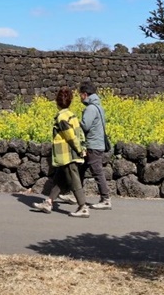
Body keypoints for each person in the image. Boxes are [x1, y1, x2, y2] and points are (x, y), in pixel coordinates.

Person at [33, 87, 90, 218]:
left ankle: (83, 207)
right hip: (70, 154)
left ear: (57, 102)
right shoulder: (72, 115)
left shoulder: (62, 117)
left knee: (74, 180)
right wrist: (83, 147)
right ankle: (48, 202)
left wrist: (80, 150)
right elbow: (80, 133)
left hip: (67, 154)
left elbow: (70, 136)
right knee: (59, 179)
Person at [59, 81, 113, 210]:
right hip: (96, 143)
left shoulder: (91, 108)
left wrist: (73, 123)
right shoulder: (98, 106)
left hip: (93, 145)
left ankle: (105, 199)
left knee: (97, 171)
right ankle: (76, 194)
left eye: (80, 95)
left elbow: (85, 126)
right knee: (80, 169)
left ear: (84, 94)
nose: (79, 98)